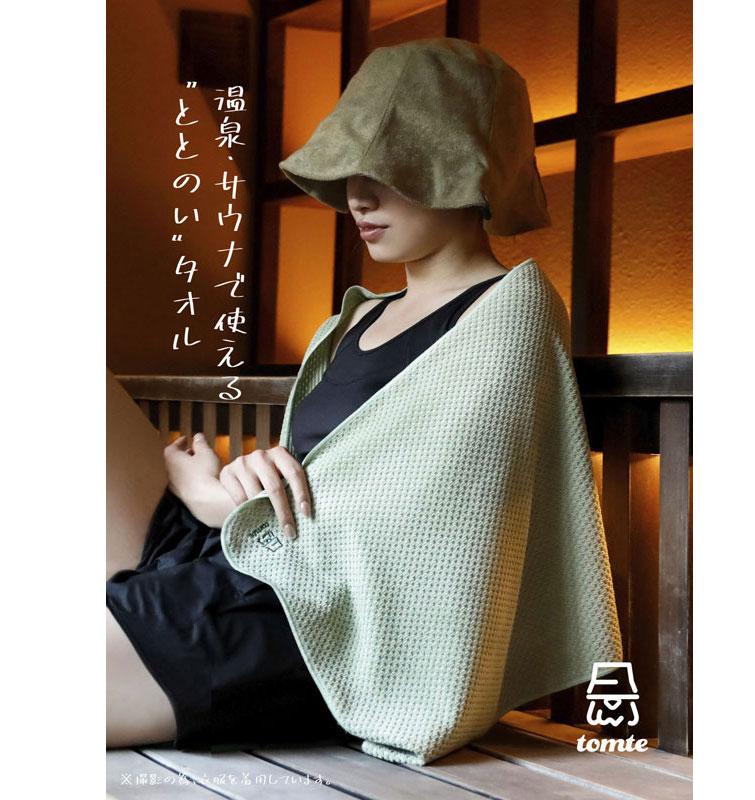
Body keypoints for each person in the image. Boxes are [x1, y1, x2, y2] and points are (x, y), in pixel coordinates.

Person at [106, 36, 553, 750]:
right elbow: (316, 478)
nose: (357, 196)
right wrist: (236, 482)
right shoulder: (353, 319)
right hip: (248, 554)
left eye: (390, 171)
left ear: (466, 170)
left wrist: (215, 500)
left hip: (320, 618)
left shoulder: (507, 310)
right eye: (348, 170)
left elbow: (419, 528)